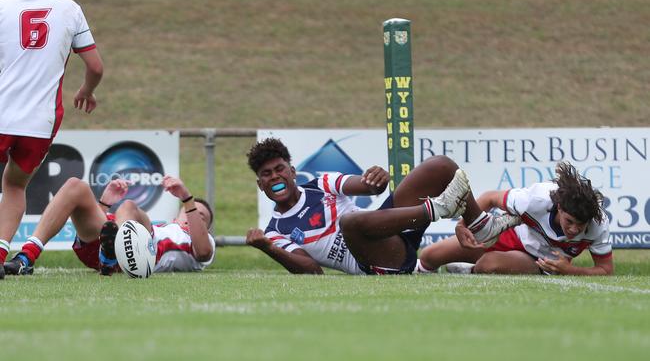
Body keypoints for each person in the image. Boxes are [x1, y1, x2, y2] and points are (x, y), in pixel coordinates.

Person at [245, 138, 519, 275]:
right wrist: (268, 249)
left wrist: (376, 179)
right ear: (261, 185)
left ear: (292, 171)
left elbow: (367, 186)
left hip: (392, 228)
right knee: (350, 223)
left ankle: (480, 225)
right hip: (378, 261)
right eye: (267, 174)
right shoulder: (275, 231)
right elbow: (312, 271)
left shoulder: (321, 183)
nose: (275, 177)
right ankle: (438, 209)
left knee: (440, 166)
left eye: (279, 169)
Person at [0, 0, 104, 279]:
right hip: (40, 120)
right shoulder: (69, 9)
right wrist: (86, 90)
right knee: (14, 186)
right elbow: (96, 67)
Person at [417, 162, 613, 276]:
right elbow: (490, 197)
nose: (574, 229)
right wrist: (463, 224)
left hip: (538, 260)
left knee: (488, 264)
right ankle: (427, 271)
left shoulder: (598, 223)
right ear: (559, 207)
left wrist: (569, 270)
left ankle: (471, 270)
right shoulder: (536, 199)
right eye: (569, 221)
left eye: (581, 225)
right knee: (429, 255)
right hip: (510, 233)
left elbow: (605, 270)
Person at [3, 176, 215, 276]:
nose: (193, 215)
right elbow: (103, 230)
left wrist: (187, 199)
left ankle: (114, 250)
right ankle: (26, 257)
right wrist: (104, 204)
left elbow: (203, 252)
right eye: (188, 211)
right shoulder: (165, 226)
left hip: (141, 255)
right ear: (176, 217)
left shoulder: (200, 243)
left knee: (130, 207)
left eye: (202, 217)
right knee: (75, 186)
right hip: (102, 252)